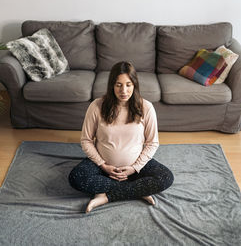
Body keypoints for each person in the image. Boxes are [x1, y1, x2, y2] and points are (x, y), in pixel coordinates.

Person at [68, 61, 174, 213]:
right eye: (118, 85)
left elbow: (152, 143)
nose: (123, 90)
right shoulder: (96, 106)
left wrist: (134, 168)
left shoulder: (146, 107)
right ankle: (138, 190)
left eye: (128, 84)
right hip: (103, 167)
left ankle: (105, 196)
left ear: (134, 85)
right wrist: (103, 165)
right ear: (112, 85)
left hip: (136, 168)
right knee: (76, 178)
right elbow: (86, 140)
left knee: (166, 177)